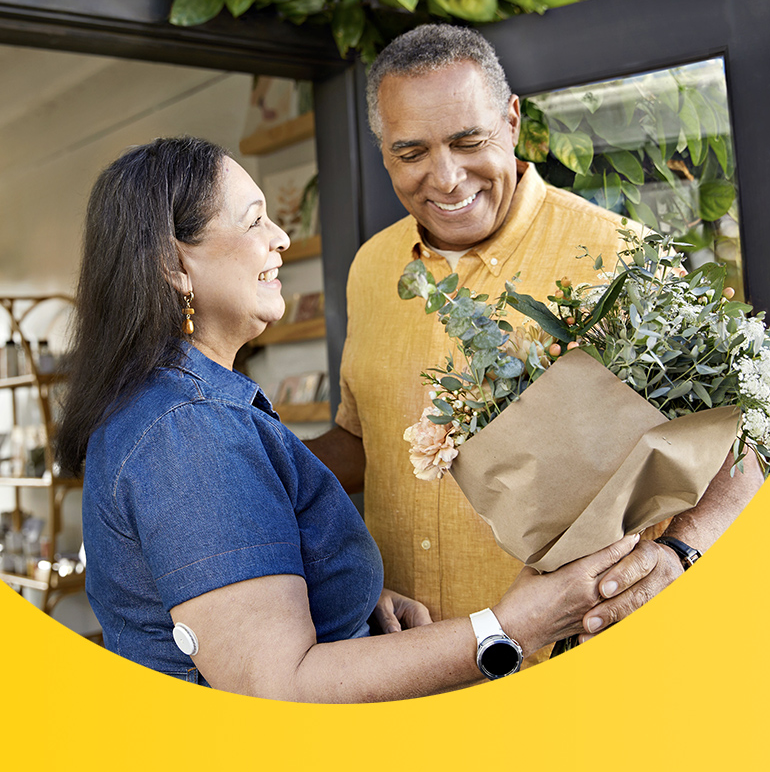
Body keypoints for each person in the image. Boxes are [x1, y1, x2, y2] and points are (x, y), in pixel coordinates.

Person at [59, 137, 639, 699]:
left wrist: (341, 597)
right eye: (253, 220)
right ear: (174, 265)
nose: (280, 238)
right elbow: (279, 685)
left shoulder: (175, 406)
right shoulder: (189, 432)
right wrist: (511, 628)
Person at [304, 25, 759, 656]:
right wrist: (241, 467)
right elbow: (366, 437)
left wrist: (682, 552)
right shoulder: (371, 268)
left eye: (470, 141)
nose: (446, 178)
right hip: (407, 662)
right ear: (384, 152)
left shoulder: (620, 256)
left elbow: (742, 441)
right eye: (412, 154)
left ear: (512, 121)